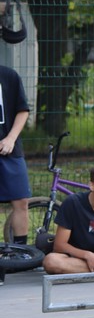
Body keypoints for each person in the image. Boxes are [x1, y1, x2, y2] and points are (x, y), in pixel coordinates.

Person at [0, 65, 31, 246]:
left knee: (21, 201)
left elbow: (23, 110)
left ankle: (21, 251)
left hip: (9, 151)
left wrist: (10, 138)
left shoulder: (8, 75)